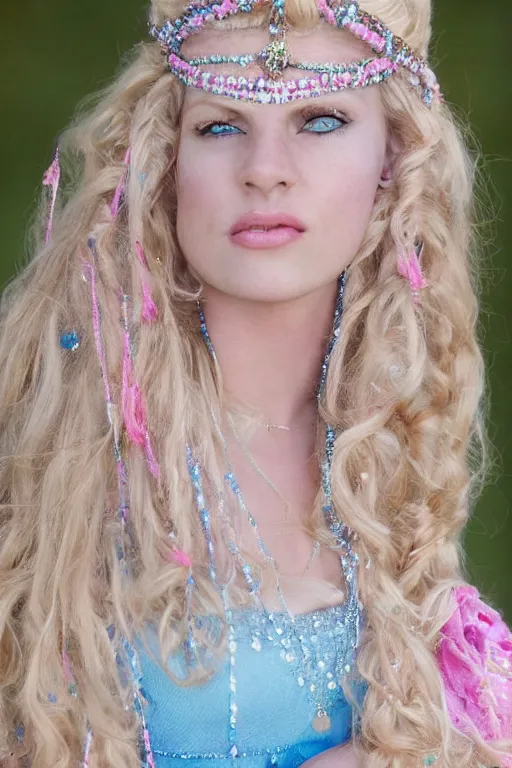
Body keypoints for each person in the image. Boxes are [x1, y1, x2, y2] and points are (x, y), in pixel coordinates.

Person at [0, 0, 511, 765]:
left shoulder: (391, 439)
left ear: (395, 161)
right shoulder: (48, 448)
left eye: (321, 119)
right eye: (220, 125)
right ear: (161, 158)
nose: (265, 169)